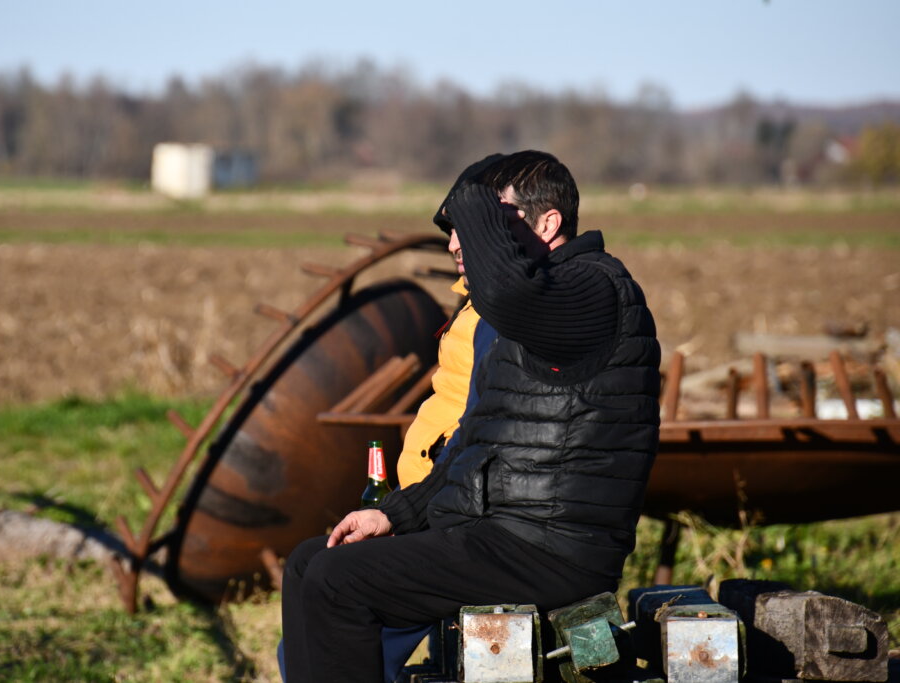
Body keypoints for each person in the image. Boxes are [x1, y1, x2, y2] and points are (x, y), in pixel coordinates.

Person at [281, 150, 661, 683]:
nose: (458, 244)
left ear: (549, 223)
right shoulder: (526, 316)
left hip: (551, 545)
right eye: (456, 231)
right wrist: (396, 514)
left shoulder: (594, 290)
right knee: (308, 562)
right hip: (501, 532)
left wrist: (467, 197)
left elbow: (507, 291)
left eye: (486, 223)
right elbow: (469, 441)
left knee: (336, 581)